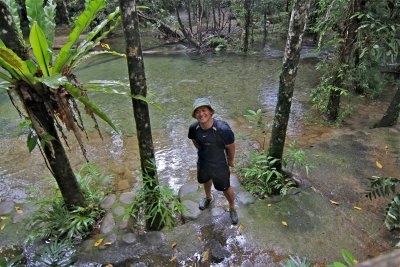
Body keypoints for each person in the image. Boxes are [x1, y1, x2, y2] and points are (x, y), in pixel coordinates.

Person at [188, 98, 238, 225]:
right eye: (197, 111)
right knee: (205, 180)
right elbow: (194, 140)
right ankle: (208, 198)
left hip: (219, 163)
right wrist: (201, 151)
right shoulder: (194, 128)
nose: (201, 114)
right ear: (195, 115)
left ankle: (232, 207)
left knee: (225, 188)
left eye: (204, 110)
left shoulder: (222, 129)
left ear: (211, 112)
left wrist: (230, 160)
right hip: (203, 161)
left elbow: (231, 146)